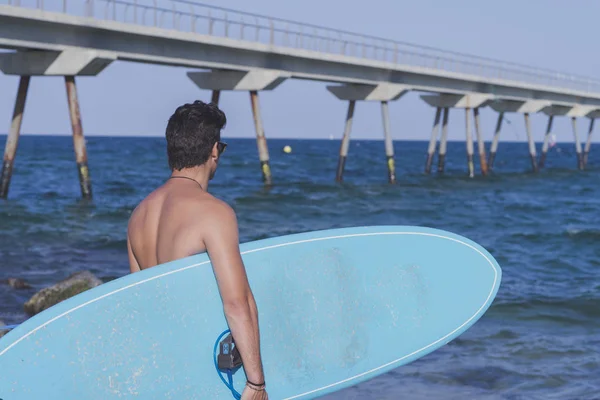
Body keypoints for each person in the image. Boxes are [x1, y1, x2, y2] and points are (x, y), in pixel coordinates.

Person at [126, 100, 268, 399]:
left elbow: (141, 305)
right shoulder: (214, 213)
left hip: (165, 369)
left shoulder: (138, 215)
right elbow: (237, 302)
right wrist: (256, 383)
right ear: (214, 150)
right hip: (204, 371)